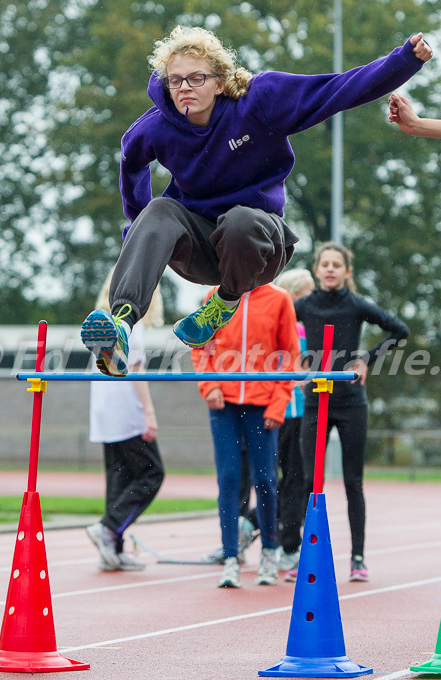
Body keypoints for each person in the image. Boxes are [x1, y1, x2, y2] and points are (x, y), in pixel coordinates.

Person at [79, 26, 431, 376]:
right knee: (159, 210)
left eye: (196, 78)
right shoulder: (154, 128)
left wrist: (403, 61)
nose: (185, 87)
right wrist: (141, 233)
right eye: (176, 81)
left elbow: (335, 91)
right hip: (200, 251)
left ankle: (224, 303)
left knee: (239, 220)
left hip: (260, 247)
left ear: (219, 82)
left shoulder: (258, 100)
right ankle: (121, 327)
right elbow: (131, 162)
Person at [294, 243, 410, 582]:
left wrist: (366, 360)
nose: (330, 269)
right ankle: (303, 554)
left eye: (336, 265)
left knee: (352, 482)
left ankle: (357, 558)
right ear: (317, 270)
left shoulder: (357, 305)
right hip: (316, 401)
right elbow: (279, 326)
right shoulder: (304, 306)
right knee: (308, 481)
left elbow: (399, 330)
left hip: (350, 403)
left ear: (347, 272)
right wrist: (296, 356)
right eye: (325, 264)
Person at [192, 283, 300, 588]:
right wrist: (208, 385)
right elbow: (200, 344)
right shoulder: (216, 295)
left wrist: (278, 405)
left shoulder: (279, 298)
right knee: (228, 479)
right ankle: (230, 558)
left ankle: (269, 551)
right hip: (223, 403)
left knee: (265, 480)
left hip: (262, 405)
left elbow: (289, 355)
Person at [86, 271, 165, 571]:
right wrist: (149, 412)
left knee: (119, 478)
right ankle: (109, 526)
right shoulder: (131, 323)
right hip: (127, 409)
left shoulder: (102, 324)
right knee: (152, 473)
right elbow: (135, 371)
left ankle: (113, 549)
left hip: (105, 411)